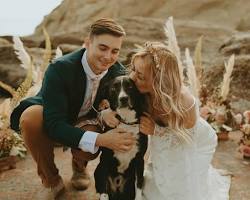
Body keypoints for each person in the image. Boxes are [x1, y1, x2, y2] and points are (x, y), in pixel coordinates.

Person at [10, 18, 136, 198]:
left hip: (87, 120)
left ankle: (79, 166)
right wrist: (102, 140)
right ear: (87, 43)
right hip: (55, 115)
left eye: (115, 51)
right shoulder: (60, 68)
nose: (108, 56)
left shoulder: (119, 74)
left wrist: (108, 112)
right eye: (102, 48)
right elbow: (54, 124)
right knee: (31, 118)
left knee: (91, 141)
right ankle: (51, 180)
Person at [128, 42, 231, 200]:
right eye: (133, 69)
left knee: (182, 182)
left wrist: (156, 131)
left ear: (159, 82)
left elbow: (185, 143)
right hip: (171, 136)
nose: (132, 77)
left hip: (194, 140)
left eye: (140, 76)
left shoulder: (185, 102)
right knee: (160, 172)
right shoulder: (139, 89)